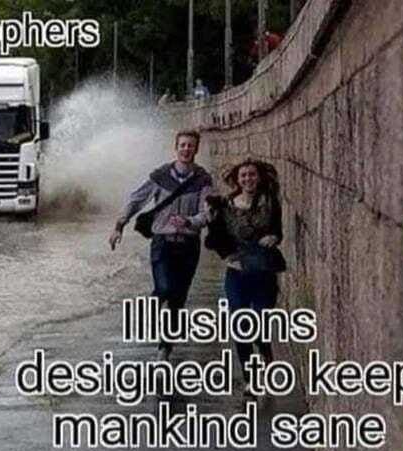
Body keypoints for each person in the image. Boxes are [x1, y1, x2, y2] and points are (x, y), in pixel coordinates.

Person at [109, 130, 215, 361]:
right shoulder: (160, 176)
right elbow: (137, 199)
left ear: (196, 150)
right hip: (162, 243)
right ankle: (151, 309)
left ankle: (164, 347)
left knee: (178, 300)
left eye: (191, 146)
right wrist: (120, 225)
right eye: (183, 145)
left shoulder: (203, 180)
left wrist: (191, 221)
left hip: (188, 244)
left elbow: (208, 212)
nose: (186, 149)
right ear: (175, 148)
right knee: (165, 288)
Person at [206, 158, 285, 395]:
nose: (248, 179)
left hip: (263, 269)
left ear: (258, 177)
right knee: (241, 326)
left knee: (260, 321)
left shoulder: (270, 201)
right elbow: (214, 238)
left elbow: (277, 231)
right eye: (243, 176)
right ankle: (251, 379)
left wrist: (274, 238)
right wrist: (228, 256)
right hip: (238, 271)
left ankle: (265, 352)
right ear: (237, 180)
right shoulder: (226, 205)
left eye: (252, 175)